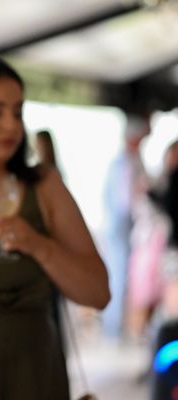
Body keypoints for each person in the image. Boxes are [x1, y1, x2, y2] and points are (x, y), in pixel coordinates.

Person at [0, 56, 110, 400]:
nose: (10, 126)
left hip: (34, 372)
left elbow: (98, 293)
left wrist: (38, 245)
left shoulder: (43, 185)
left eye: (17, 112)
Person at [102, 113, 151, 340]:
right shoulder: (123, 162)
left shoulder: (131, 160)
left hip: (125, 225)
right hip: (122, 225)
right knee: (119, 276)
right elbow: (126, 201)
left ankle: (118, 327)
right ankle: (114, 329)